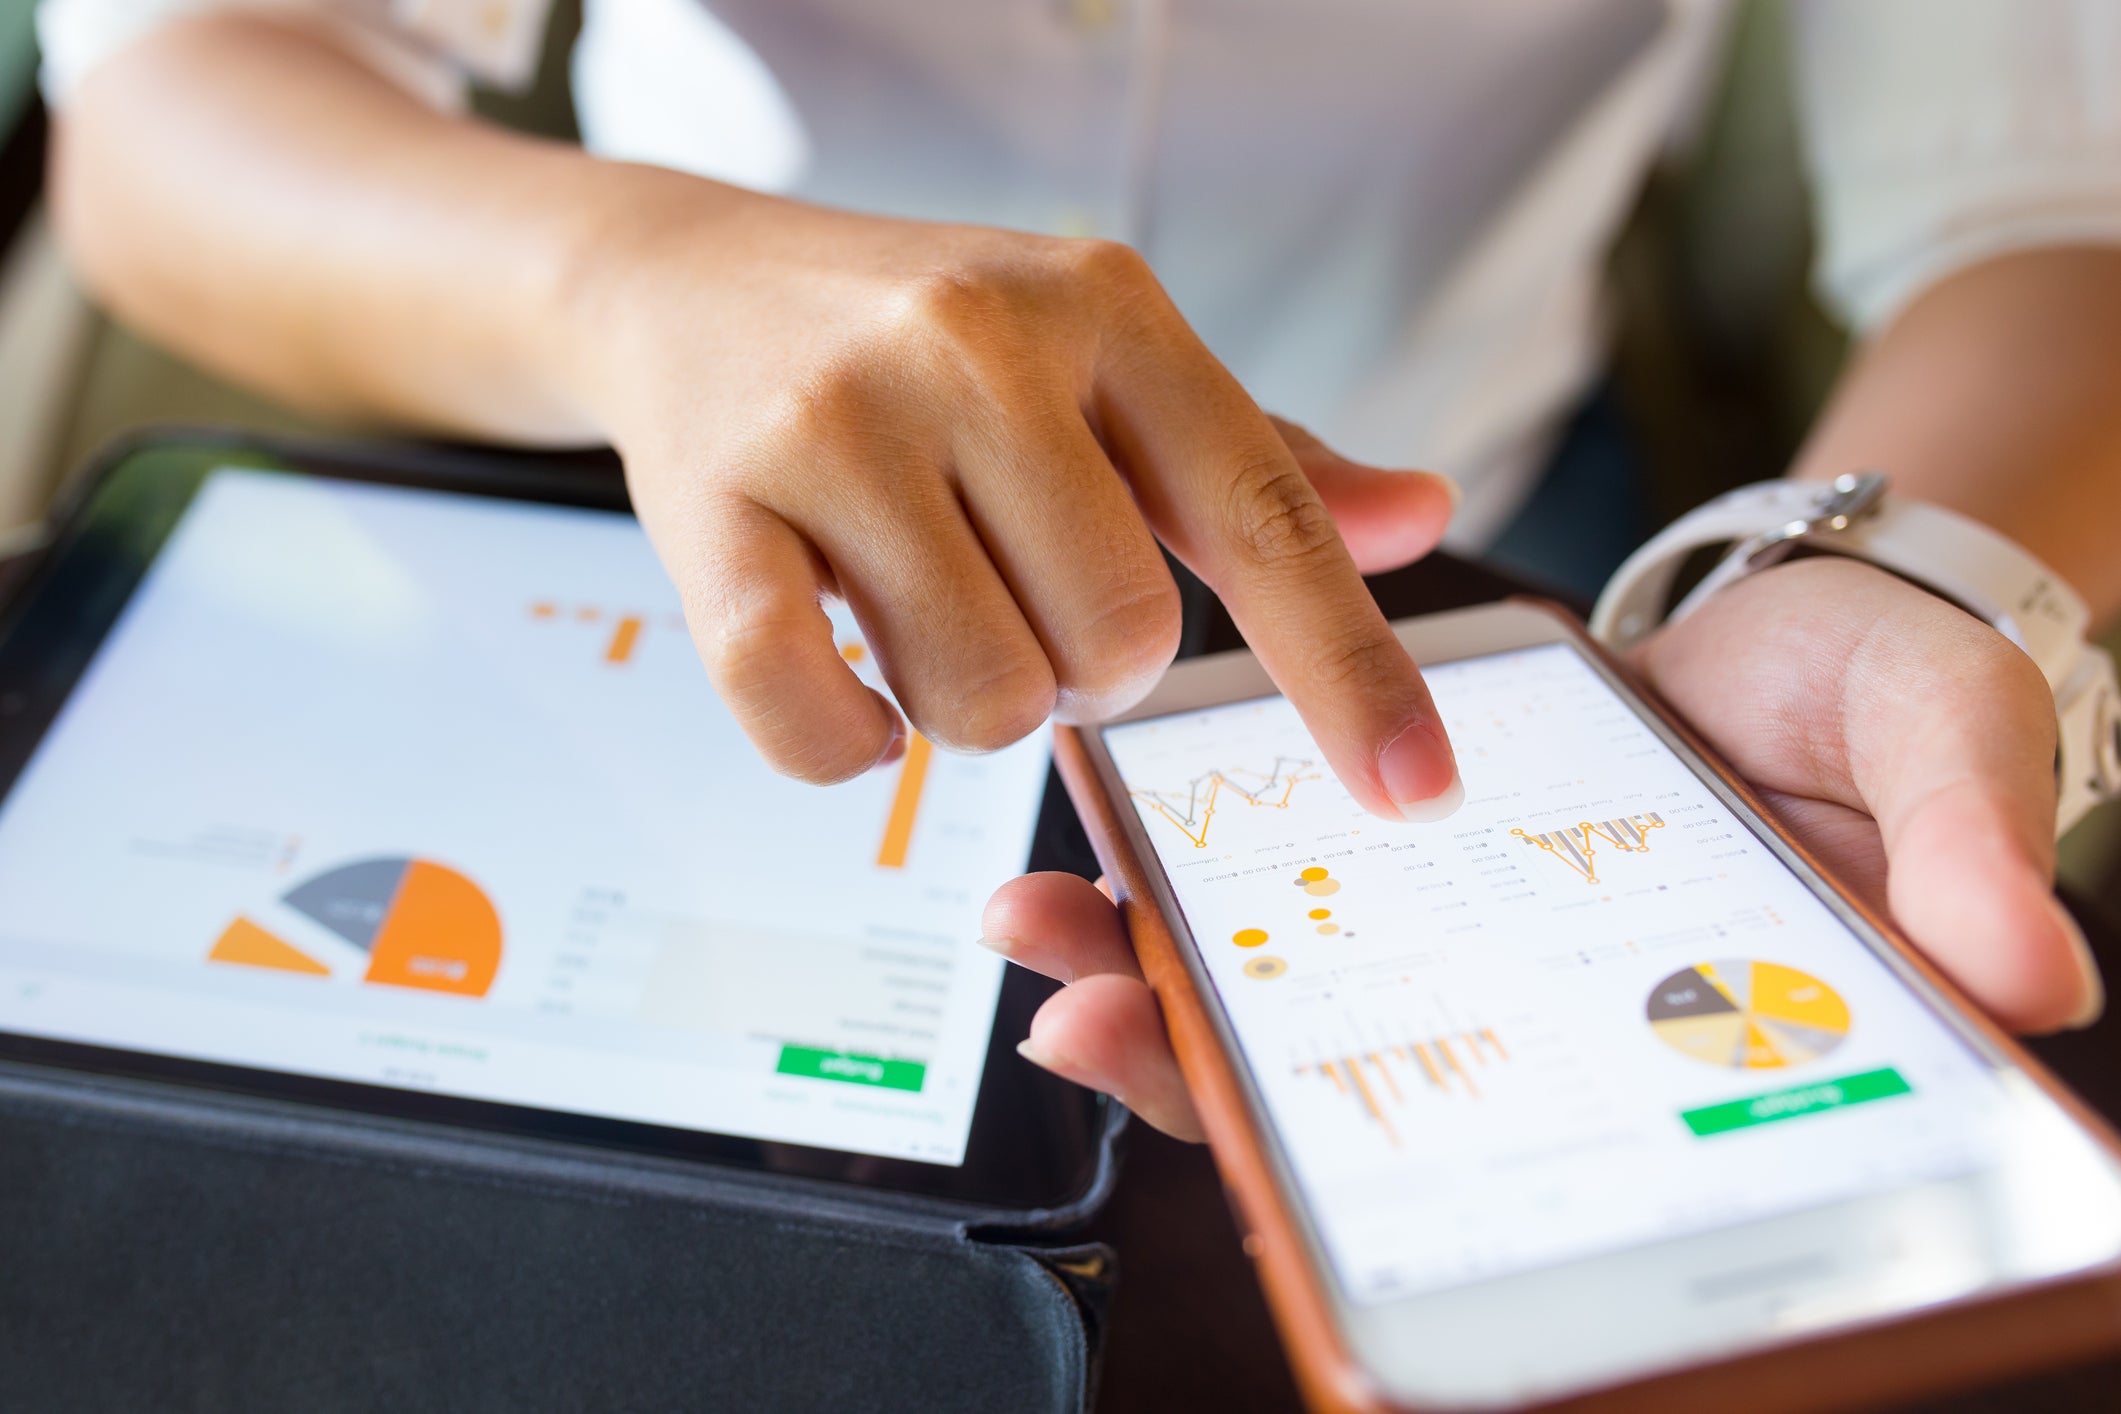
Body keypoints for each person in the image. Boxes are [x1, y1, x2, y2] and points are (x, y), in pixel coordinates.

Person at [35, 0, 2121, 1139]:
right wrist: (634, 274)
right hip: (696, 491)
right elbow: (179, 89)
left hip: (1456, 540)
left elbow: (2048, 196)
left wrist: (1903, 568)